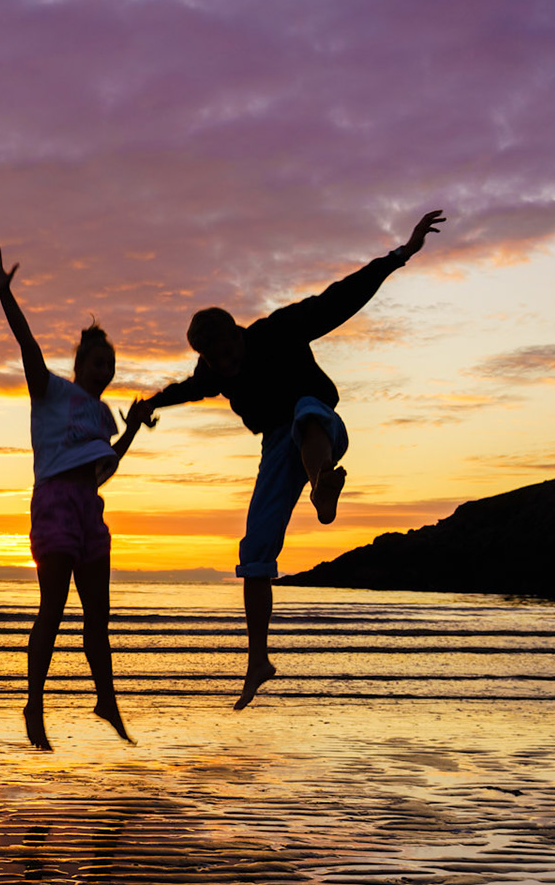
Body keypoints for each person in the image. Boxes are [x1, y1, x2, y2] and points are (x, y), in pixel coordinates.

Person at [134, 209, 446, 710]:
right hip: (276, 449)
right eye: (218, 362)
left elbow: (339, 297)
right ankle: (258, 659)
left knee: (304, 414)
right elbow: (188, 389)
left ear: (240, 334)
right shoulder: (213, 371)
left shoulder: (278, 330)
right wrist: (150, 403)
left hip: (322, 421)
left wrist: (401, 254)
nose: (229, 365)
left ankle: (323, 481)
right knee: (254, 550)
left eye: (232, 352)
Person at [0, 247, 151, 751]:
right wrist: (5, 293)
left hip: (89, 510)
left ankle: (106, 699)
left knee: (97, 616)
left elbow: (104, 471)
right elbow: (27, 344)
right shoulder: (52, 391)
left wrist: (133, 430)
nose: (106, 369)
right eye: (98, 362)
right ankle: (34, 703)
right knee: (52, 609)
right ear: (78, 364)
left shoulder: (103, 417)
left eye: (112, 364)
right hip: (54, 504)